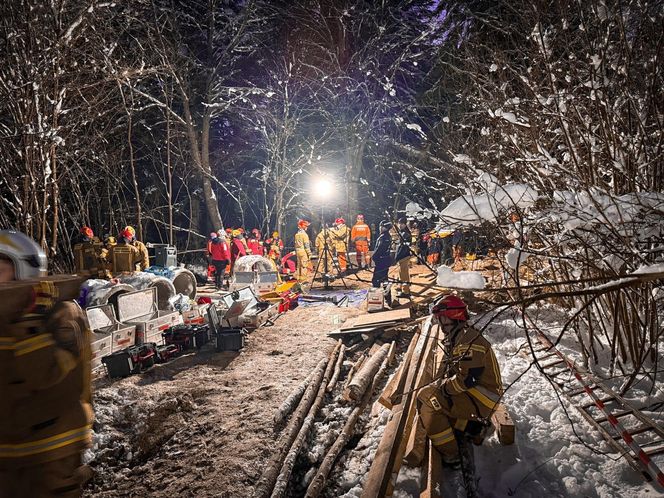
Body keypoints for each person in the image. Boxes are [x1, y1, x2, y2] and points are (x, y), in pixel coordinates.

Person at [0, 230, 93, 497]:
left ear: (23, 270)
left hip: (50, 451)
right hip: (9, 451)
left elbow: (46, 374)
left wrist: (29, 326)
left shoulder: (62, 314)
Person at [417, 294, 503, 467]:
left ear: (452, 316)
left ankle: (452, 455)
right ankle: (472, 428)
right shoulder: (461, 335)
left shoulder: (466, 340)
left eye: (441, 318)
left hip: (483, 397)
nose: (439, 323)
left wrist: (442, 389)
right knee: (436, 395)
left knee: (426, 398)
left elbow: (468, 379)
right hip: (480, 394)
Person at [371, 221, 393, 288]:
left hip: (381, 261)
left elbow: (379, 249)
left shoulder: (383, 237)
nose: (380, 228)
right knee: (384, 278)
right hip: (386, 259)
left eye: (381, 227)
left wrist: (374, 257)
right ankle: (387, 296)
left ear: (384, 228)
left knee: (376, 279)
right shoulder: (388, 236)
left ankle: (376, 295)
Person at [395, 217, 411, 297]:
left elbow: (403, 247)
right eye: (399, 223)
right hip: (402, 256)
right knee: (402, 273)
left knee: (404, 274)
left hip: (404, 256)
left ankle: (406, 291)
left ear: (405, 224)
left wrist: (397, 257)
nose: (400, 225)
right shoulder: (402, 232)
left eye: (402, 224)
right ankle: (403, 287)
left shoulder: (406, 234)